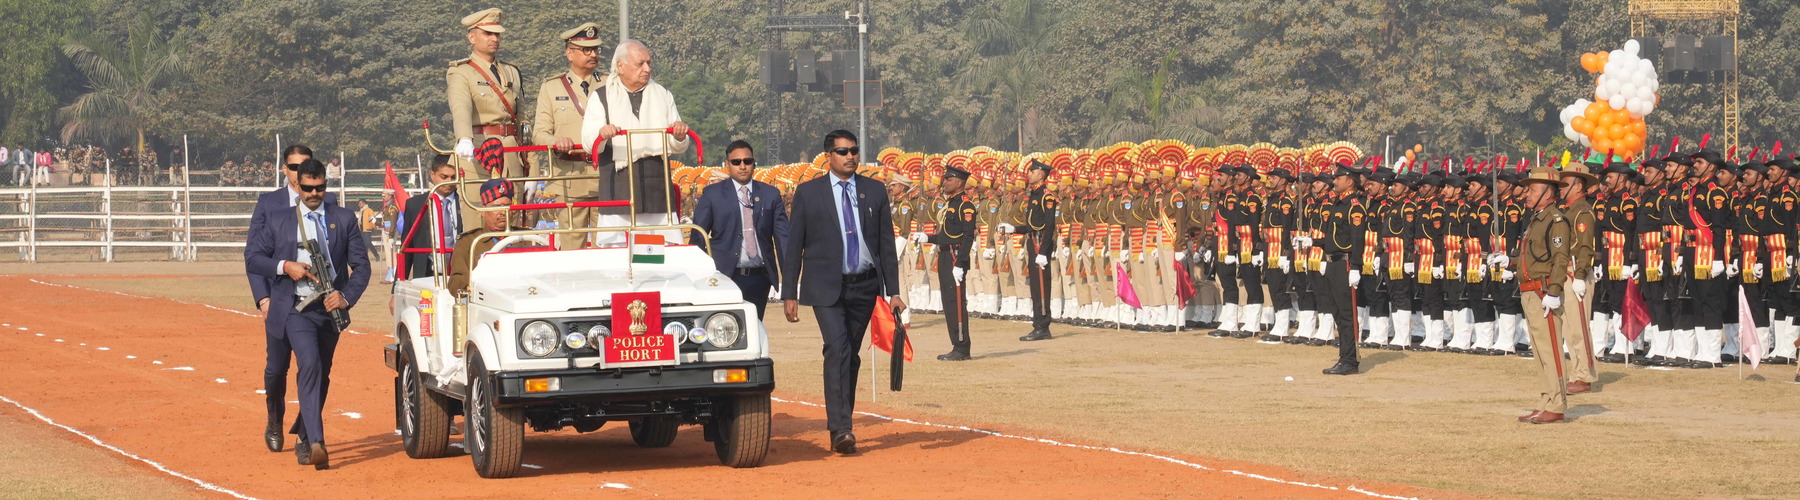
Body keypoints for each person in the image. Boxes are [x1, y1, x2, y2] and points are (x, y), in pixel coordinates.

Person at [779, 129, 903, 455]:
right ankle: (841, 429)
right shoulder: (808, 193)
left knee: (851, 355)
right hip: (825, 287)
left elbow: (886, 245)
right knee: (837, 348)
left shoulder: (874, 191)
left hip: (865, 286)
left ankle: (842, 420)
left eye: (854, 151)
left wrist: (894, 292)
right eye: (843, 151)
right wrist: (788, 292)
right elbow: (794, 247)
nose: (850, 157)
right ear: (828, 156)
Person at [243, 158, 370, 468]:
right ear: (297, 185)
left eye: (321, 187)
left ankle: (302, 435)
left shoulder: (344, 218)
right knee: (308, 364)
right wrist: (285, 266)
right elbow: (253, 259)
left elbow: (362, 266)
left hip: (330, 311)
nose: (315, 193)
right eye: (309, 188)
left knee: (321, 374)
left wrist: (345, 296)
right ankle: (315, 441)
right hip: (294, 309)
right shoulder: (278, 219)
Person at [579, 39, 692, 245]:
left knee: (659, 257)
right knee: (619, 258)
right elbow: (589, 142)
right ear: (620, 66)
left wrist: (679, 134)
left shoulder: (663, 94)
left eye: (649, 63)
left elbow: (677, 144)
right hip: (618, 189)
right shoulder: (601, 97)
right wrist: (602, 134)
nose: (647, 69)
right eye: (640, 64)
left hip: (657, 191)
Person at [690, 140, 788, 319]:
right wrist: (696, 278)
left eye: (747, 161)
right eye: (736, 162)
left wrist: (789, 286)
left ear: (753, 163)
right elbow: (698, 239)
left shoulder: (770, 194)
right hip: (725, 276)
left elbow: (783, 241)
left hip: (760, 277)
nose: (742, 166)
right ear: (727, 164)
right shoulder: (713, 194)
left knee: (754, 328)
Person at [447, 8, 526, 223]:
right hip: (478, 152)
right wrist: (464, 138)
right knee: (478, 221)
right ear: (472, 37)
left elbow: (523, 119)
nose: (494, 39)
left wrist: (532, 163)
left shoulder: (512, 72)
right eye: (488, 34)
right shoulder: (461, 71)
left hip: (511, 152)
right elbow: (461, 107)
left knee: (513, 220)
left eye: (497, 34)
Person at [532, 22, 604, 249]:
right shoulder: (551, 88)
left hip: (605, 174)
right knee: (573, 247)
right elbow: (539, 134)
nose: (593, 54)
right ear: (569, 53)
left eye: (596, 49)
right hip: (570, 179)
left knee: (610, 244)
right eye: (586, 50)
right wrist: (555, 142)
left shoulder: (610, 83)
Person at [1515, 165, 1573, 424]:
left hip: (1543, 292)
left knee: (1551, 350)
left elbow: (1561, 258)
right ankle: (1546, 400)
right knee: (1539, 351)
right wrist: (1508, 261)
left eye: (1533, 190)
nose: (1527, 194)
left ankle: (1557, 404)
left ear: (1548, 194)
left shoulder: (1556, 221)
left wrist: (1555, 290)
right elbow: (1533, 257)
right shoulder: (1536, 220)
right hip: (1529, 291)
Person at [918, 165, 977, 360]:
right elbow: (946, 235)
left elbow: (967, 237)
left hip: (955, 256)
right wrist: (929, 238)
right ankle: (956, 344)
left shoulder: (965, 205)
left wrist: (961, 263)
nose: (945, 182)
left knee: (956, 301)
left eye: (949, 180)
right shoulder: (950, 204)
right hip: (945, 255)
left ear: (959, 182)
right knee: (948, 302)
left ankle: (962, 346)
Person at [1316, 164, 1368, 375]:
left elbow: (1357, 239)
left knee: (1346, 313)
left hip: (1345, 263)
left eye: (1338, 178)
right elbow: (1331, 238)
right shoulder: (1337, 204)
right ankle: (1344, 356)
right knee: (1336, 311)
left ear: (1350, 181)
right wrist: (1312, 242)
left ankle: (1350, 360)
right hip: (1332, 263)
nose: (1334, 181)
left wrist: (1356, 266)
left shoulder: (1354, 206)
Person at [448, 179, 532, 291]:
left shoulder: (528, 238)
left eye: (507, 206)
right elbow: (456, 282)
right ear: (483, 211)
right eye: (496, 207)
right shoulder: (469, 242)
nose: (503, 212)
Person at [1008, 159, 1059, 341]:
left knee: (1042, 286)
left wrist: (1044, 252)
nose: (1028, 174)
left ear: (1041, 175)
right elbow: (1031, 225)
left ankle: (1043, 326)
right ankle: (1037, 324)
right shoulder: (1033, 195)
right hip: (1032, 241)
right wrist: (1014, 229)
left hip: (1041, 243)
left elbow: (1049, 226)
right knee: (1035, 287)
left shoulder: (1047, 196)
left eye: (1032, 171)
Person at [400, 157, 463, 281]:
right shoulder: (415, 205)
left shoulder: (466, 203)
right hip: (427, 273)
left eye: (453, 177)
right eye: (444, 177)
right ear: (432, 174)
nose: (449, 182)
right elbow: (406, 248)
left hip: (461, 274)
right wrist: (396, 289)